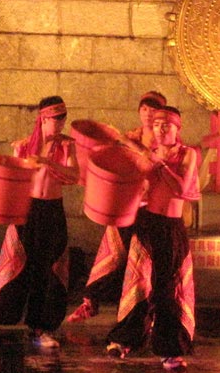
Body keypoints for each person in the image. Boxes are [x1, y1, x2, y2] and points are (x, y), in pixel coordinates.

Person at [105, 106, 200, 371]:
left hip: (170, 227)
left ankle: (169, 350)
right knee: (137, 284)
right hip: (147, 225)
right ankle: (124, 340)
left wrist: (160, 165)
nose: (160, 129)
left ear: (177, 129)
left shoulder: (187, 154)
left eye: (166, 125)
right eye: (157, 125)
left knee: (167, 290)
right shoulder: (149, 153)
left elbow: (182, 188)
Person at [0, 96, 80, 349]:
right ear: (43, 118)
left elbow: (73, 176)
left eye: (63, 118)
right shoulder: (26, 145)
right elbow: (13, 176)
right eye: (55, 119)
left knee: (48, 269)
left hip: (51, 209)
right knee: (17, 265)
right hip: (26, 210)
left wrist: (49, 162)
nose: (60, 124)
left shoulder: (67, 146)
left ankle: (41, 327)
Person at [67, 91, 166, 322]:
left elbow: (155, 164)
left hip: (153, 210)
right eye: (144, 109)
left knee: (144, 264)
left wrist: (136, 148)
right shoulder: (132, 135)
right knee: (111, 253)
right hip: (127, 205)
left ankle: (146, 317)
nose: (148, 114)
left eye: (153, 110)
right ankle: (90, 302)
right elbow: (111, 150)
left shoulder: (164, 141)